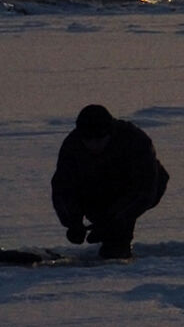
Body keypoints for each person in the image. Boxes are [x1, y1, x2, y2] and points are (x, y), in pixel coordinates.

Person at [51, 104, 170, 261]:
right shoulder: (72, 145)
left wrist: (114, 222)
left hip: (136, 189)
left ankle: (118, 244)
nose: (94, 145)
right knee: (98, 210)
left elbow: (145, 190)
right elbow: (62, 188)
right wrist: (72, 221)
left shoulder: (135, 140)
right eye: (88, 140)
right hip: (96, 188)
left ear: (110, 133)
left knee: (116, 238)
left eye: (99, 139)